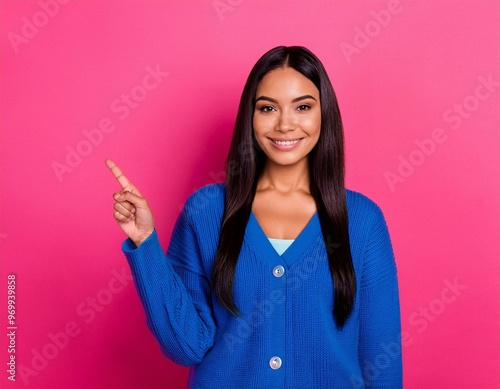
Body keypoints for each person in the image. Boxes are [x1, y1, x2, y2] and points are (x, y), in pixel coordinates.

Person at [106, 46, 402, 388]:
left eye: (303, 107)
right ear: (251, 116)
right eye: (268, 108)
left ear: (325, 115)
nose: (285, 124)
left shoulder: (363, 222)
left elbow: (382, 362)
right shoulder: (206, 212)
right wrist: (145, 244)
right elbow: (186, 346)